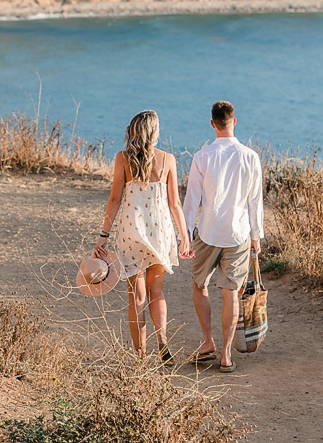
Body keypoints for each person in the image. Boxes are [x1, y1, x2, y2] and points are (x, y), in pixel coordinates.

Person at [95, 110, 193, 362]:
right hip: (159, 231)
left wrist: (103, 236)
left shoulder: (122, 159)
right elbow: (175, 204)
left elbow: (114, 199)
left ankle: (140, 357)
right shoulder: (168, 159)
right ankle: (162, 341)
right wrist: (184, 236)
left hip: (131, 231)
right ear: (154, 132)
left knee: (136, 296)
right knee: (156, 292)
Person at [183, 101, 264, 373]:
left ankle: (208, 341)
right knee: (230, 292)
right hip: (238, 233)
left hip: (207, 231)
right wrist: (256, 235)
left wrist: (184, 234)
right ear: (234, 121)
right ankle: (226, 354)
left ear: (212, 124)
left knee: (199, 285)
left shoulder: (202, 156)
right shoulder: (251, 156)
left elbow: (191, 200)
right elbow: (256, 201)